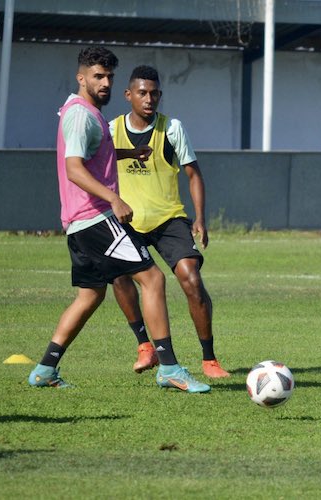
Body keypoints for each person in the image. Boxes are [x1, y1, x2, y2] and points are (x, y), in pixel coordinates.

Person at [27, 46, 209, 393]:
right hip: (95, 217)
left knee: (89, 296)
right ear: (81, 78)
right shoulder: (81, 114)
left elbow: (90, 154)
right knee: (153, 280)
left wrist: (126, 152)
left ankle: (45, 369)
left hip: (78, 224)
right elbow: (74, 168)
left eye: (109, 76)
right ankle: (169, 367)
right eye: (98, 76)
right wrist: (113, 197)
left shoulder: (82, 112)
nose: (105, 82)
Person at [109, 65, 229, 379]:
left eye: (155, 93)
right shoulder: (110, 130)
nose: (149, 99)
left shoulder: (171, 128)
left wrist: (200, 218)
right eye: (142, 93)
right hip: (128, 222)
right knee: (119, 277)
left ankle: (209, 359)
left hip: (168, 219)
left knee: (191, 279)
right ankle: (144, 346)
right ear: (128, 95)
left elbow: (194, 174)